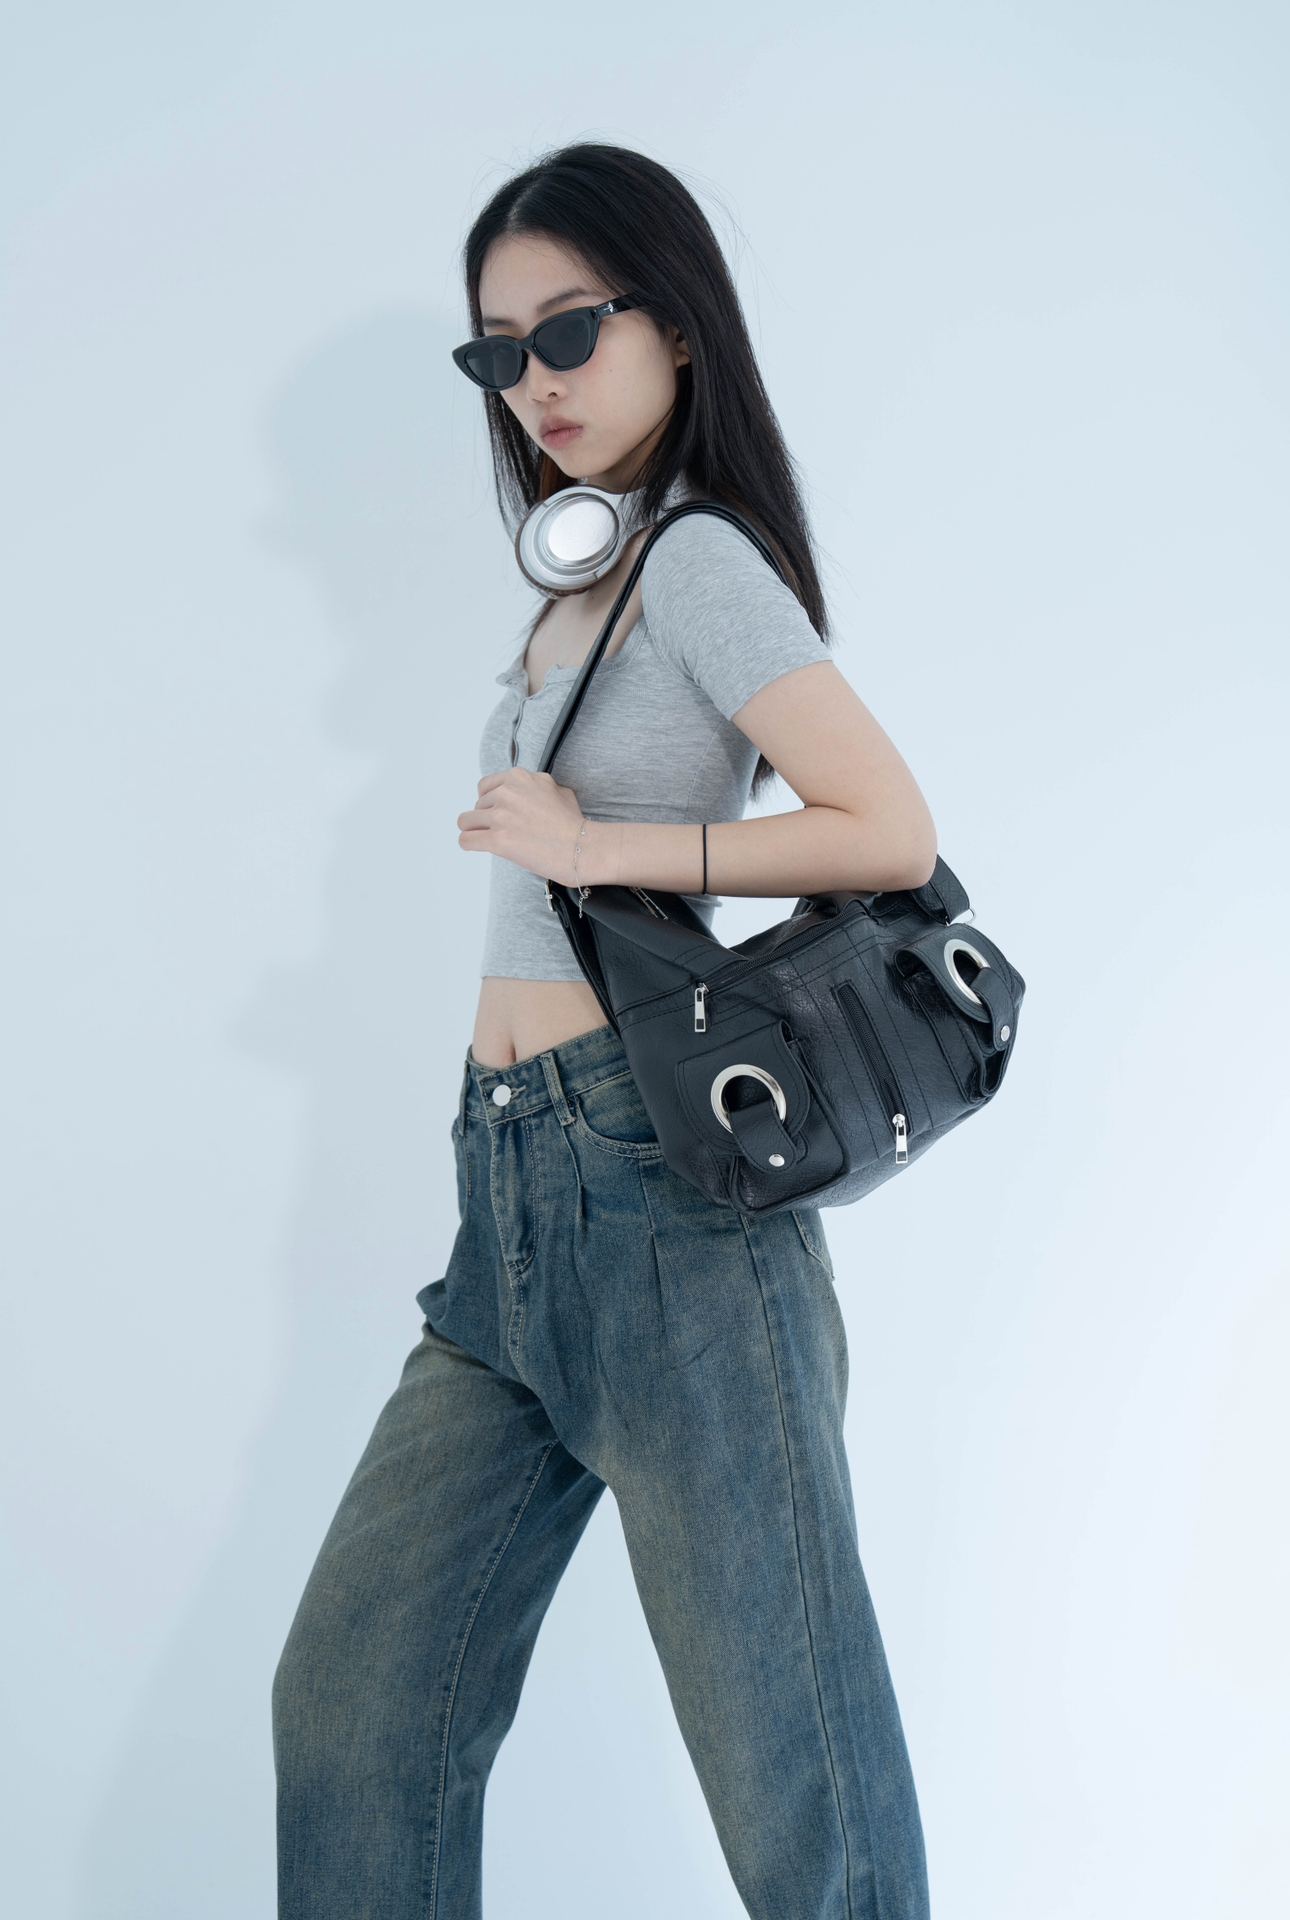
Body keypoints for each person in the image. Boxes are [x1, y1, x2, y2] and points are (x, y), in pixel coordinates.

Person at [273, 143, 937, 1920]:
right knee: (353, 1715)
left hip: (666, 1217)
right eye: (498, 352)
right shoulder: (585, 578)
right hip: (507, 1209)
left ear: (677, 325)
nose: (534, 381)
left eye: (568, 330)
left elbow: (887, 829)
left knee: (799, 1790)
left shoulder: (697, 561)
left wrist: (601, 849)